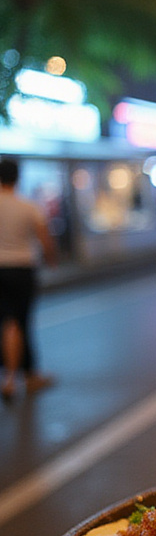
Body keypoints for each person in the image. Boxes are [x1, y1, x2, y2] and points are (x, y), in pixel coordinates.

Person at [0, 157, 58, 401]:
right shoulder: (28, 206)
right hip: (23, 269)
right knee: (21, 322)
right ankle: (22, 376)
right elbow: (45, 238)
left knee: (6, 321)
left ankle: (15, 376)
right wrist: (51, 259)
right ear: (18, 177)